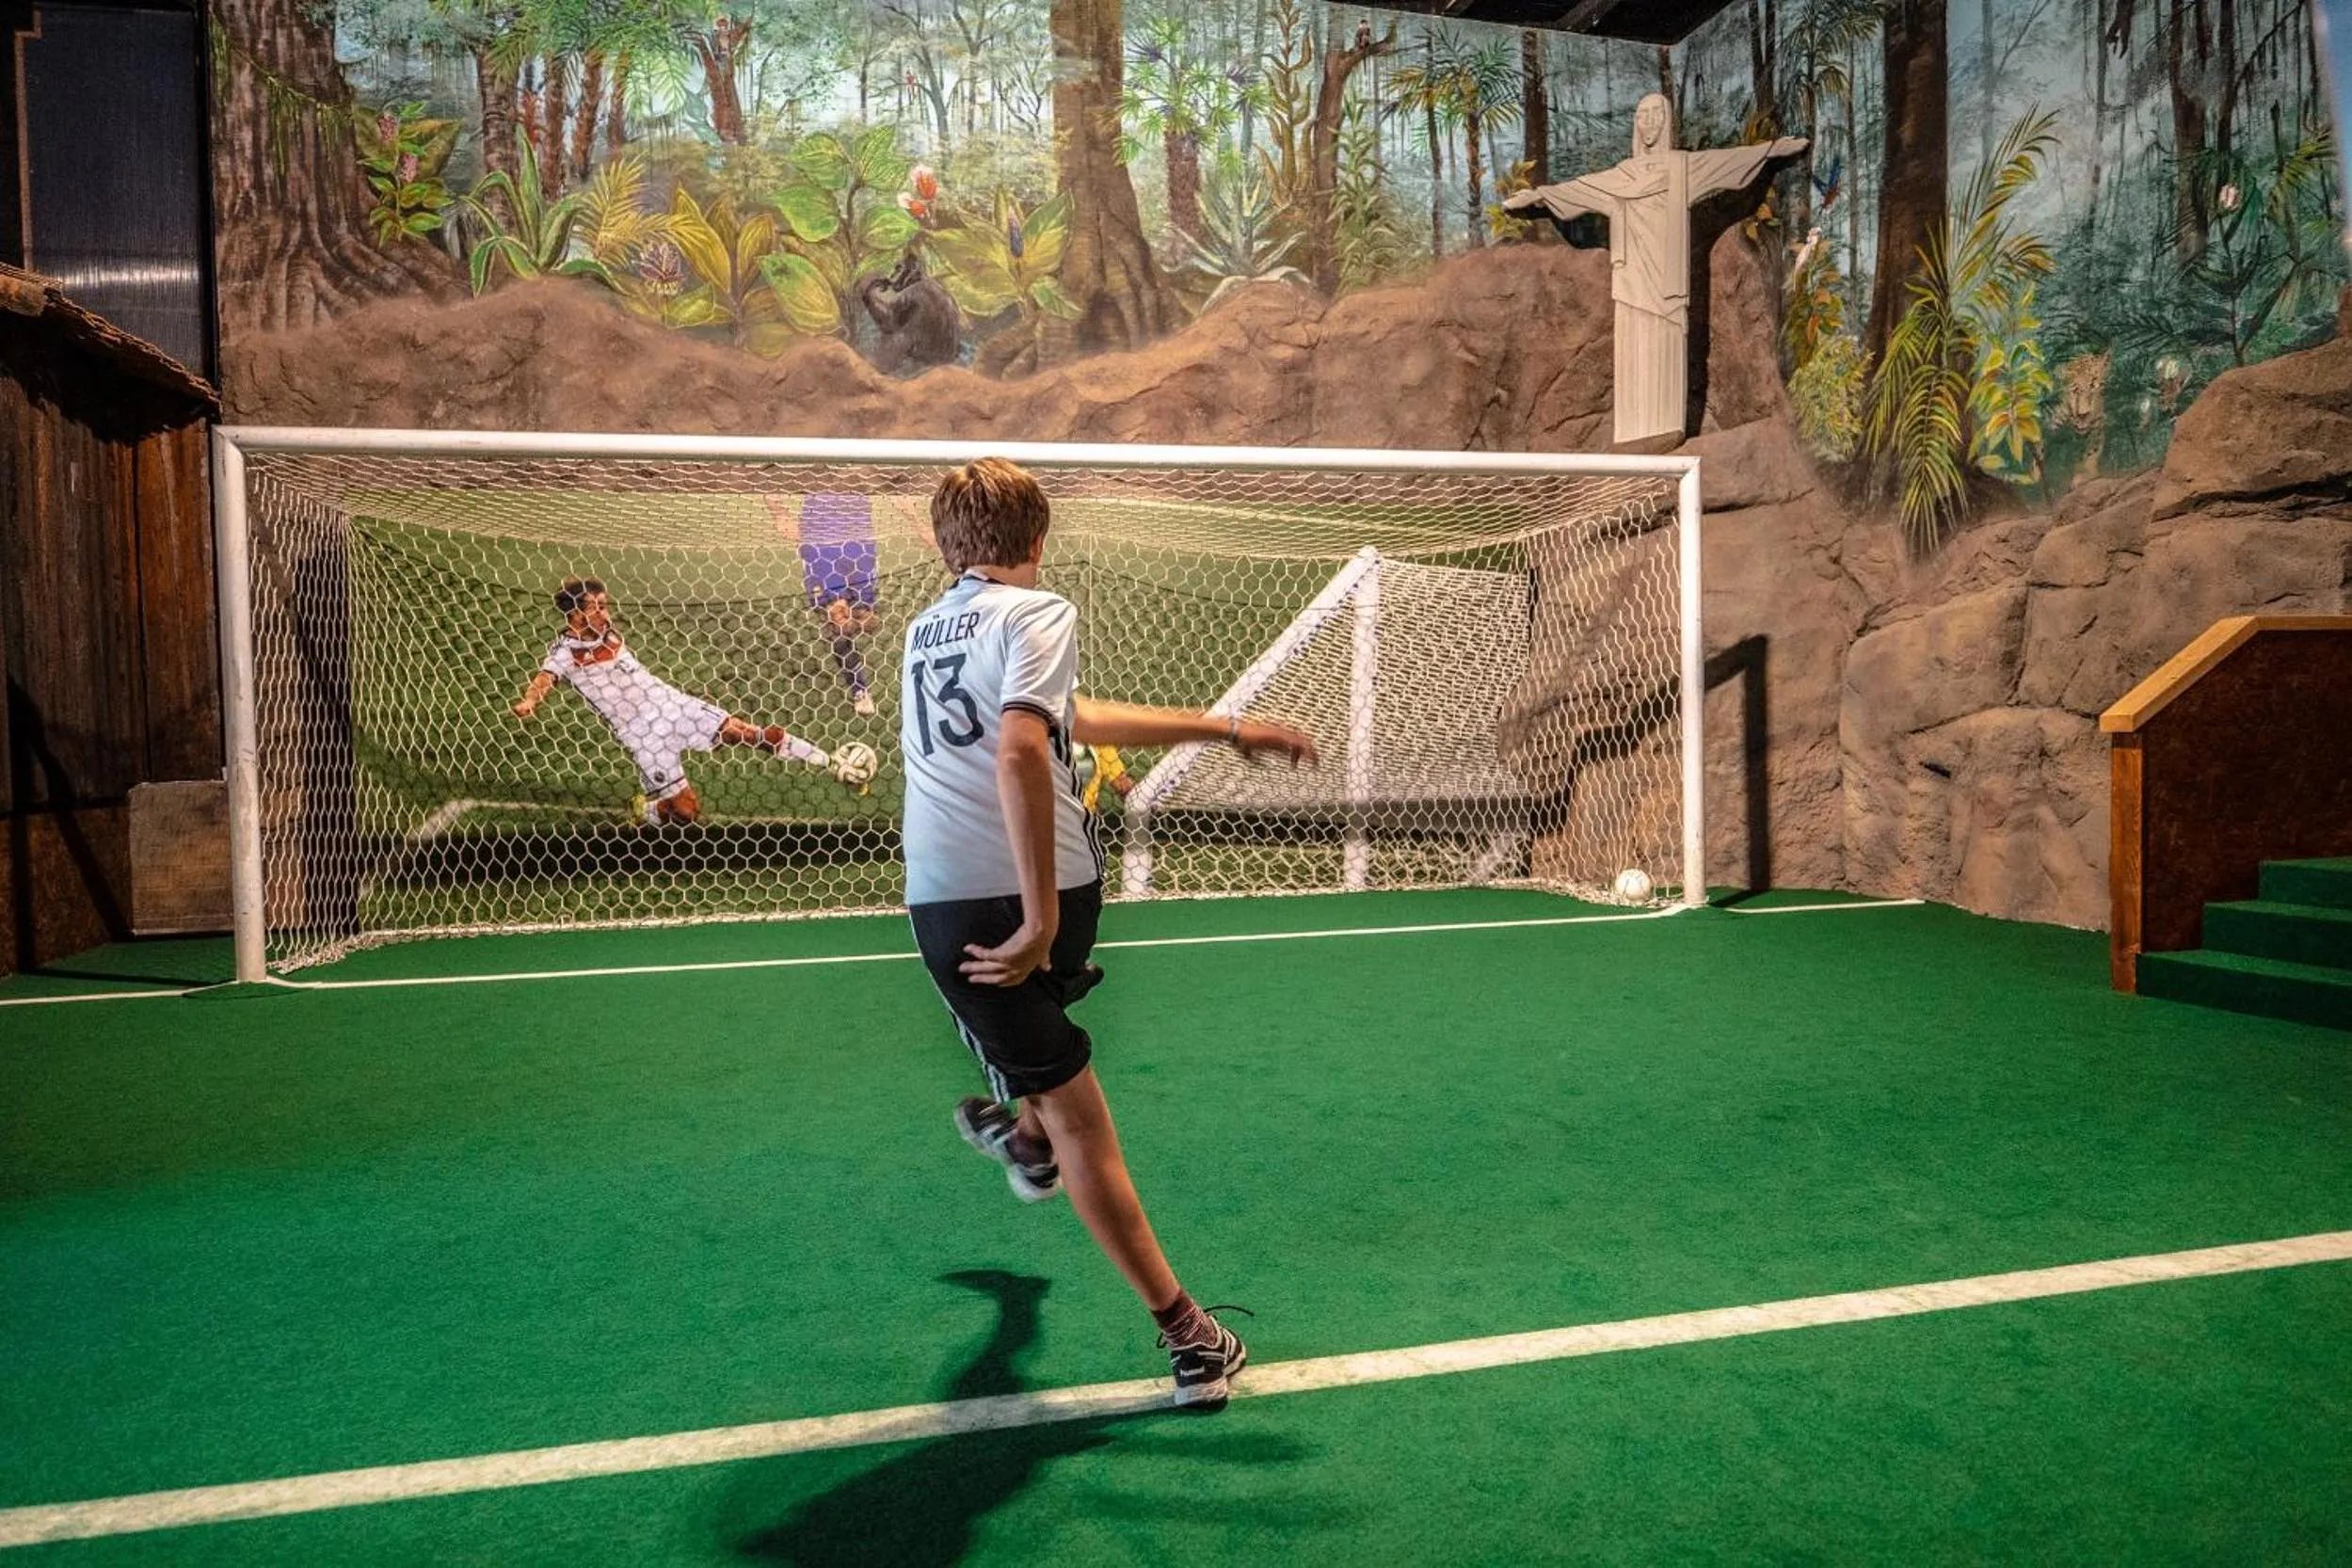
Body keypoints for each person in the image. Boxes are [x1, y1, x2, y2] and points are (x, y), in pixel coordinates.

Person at [901, 458, 1318, 1412]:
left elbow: (1061, 720)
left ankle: (1029, 1140)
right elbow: (1016, 746)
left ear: (941, 544)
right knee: (1087, 1120)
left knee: (1052, 1088)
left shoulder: (928, 630)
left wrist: (1223, 729)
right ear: (1040, 540)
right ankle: (1190, 1336)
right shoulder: (1037, 610)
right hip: (1031, 898)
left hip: (956, 906)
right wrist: (1042, 914)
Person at [513, 576, 848, 824]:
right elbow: (544, 679)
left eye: (605, 604)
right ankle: (644, 810)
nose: (604, 612)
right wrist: (530, 702)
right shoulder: (565, 652)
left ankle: (828, 762)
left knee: (744, 732)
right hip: (640, 734)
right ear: (574, 614)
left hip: (670, 704)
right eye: (595, 607)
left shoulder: (610, 633)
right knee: (686, 813)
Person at [769, 493, 883, 717]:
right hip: (820, 543)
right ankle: (859, 690)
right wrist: (777, 509)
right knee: (838, 622)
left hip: (859, 540)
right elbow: (771, 475)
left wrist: (917, 523)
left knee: (867, 619)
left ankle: (856, 677)